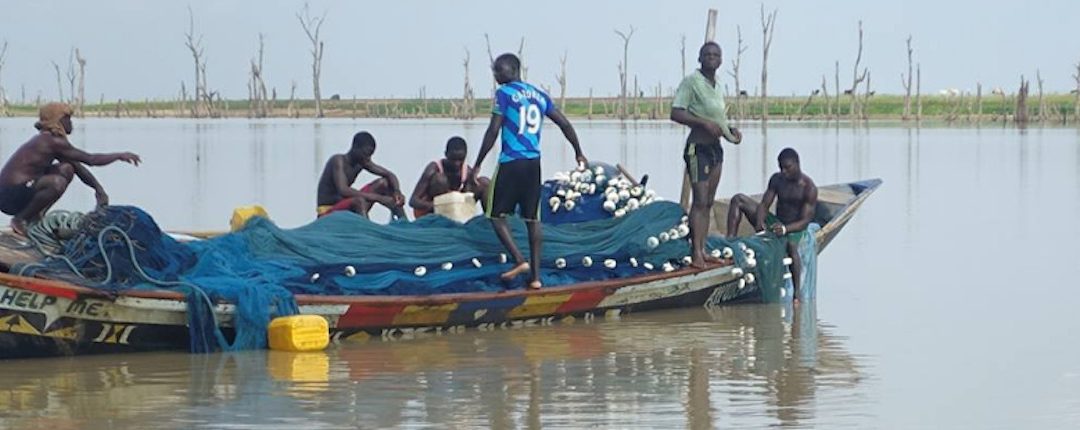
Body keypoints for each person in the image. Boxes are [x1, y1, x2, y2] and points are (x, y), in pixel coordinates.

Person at [470, 53, 587, 290]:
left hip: (511, 161)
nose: (495, 76)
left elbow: (493, 130)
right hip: (533, 164)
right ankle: (535, 278)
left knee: (494, 214)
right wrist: (578, 151)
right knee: (532, 219)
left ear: (511, 70)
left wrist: (478, 162)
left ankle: (519, 260)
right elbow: (563, 123)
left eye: (498, 71)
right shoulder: (539, 94)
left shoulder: (504, 94)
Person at [0, 103, 141, 236]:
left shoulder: (53, 141)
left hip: (19, 191)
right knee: (57, 182)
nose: (71, 123)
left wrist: (99, 190)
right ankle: (20, 219)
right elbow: (91, 159)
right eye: (67, 118)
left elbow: (79, 168)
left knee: (67, 168)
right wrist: (119, 155)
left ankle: (36, 216)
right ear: (57, 121)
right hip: (9, 196)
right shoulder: (51, 141)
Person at [670, 41, 743, 269]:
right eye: (707, 54)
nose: (712, 58)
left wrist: (731, 132)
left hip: (715, 150)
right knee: (699, 201)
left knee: (709, 202)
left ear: (721, 60)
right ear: (700, 58)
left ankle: (703, 250)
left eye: (716, 55)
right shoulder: (692, 82)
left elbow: (717, 119)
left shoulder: (717, 85)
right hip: (697, 150)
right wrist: (702, 124)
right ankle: (696, 253)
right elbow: (676, 112)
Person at [726, 147, 818, 299]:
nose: (784, 172)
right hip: (776, 222)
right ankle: (730, 241)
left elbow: (805, 221)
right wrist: (760, 222)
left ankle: (796, 295)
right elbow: (764, 204)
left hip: (794, 228)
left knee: (792, 248)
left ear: (797, 164)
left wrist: (785, 229)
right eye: (781, 168)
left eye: (787, 168)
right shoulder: (777, 179)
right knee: (738, 199)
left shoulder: (808, 188)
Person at [316, 131, 406, 220]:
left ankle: (404, 221)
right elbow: (343, 190)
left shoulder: (362, 162)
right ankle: (366, 231)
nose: (368, 158)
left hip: (345, 206)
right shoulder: (338, 161)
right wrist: (379, 198)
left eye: (370, 155)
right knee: (359, 201)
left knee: (383, 183)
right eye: (365, 154)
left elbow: (389, 174)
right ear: (355, 148)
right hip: (328, 211)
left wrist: (397, 192)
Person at [408, 136, 489, 219]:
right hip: (431, 212)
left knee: (484, 182)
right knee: (440, 180)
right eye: (453, 159)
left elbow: (469, 193)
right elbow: (413, 201)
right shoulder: (433, 168)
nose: (457, 164)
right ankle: (439, 220)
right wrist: (434, 205)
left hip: (456, 211)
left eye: (461, 160)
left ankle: (490, 220)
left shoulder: (467, 171)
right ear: (446, 154)